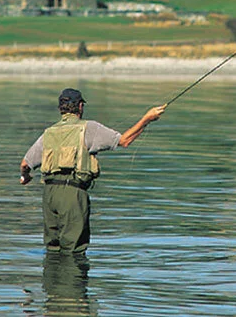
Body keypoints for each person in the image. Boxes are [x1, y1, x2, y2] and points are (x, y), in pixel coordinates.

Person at [20, 88, 165, 253]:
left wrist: (26, 177)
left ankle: (52, 278)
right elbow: (124, 140)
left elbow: (25, 164)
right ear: (80, 107)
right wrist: (147, 118)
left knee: (53, 248)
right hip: (73, 193)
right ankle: (74, 278)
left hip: (49, 195)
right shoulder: (89, 128)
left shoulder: (48, 133)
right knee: (74, 250)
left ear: (61, 109)